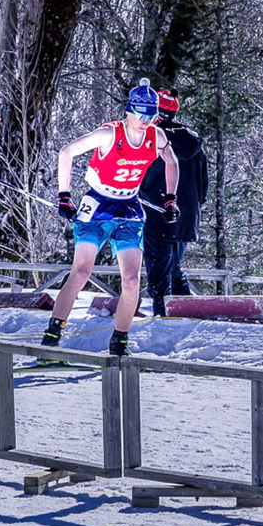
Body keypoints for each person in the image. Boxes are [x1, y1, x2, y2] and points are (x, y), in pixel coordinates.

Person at [44, 81, 180, 358]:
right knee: (81, 272)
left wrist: (170, 198)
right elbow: (66, 152)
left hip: (129, 209)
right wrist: (64, 196)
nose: (145, 121)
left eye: (151, 115)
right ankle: (52, 336)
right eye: (141, 114)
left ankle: (119, 343)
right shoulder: (109, 134)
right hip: (98, 206)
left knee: (131, 280)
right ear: (129, 111)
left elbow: (172, 161)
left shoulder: (156, 136)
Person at [142, 89, 209, 317]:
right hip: (185, 216)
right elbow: (203, 184)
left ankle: (163, 318)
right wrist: (192, 208)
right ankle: (184, 314)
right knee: (175, 268)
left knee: (159, 273)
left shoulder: (151, 139)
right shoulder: (192, 142)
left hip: (155, 211)